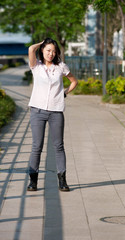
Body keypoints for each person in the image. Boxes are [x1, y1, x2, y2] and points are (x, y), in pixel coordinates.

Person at [27, 38, 78, 192]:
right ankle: (33, 181)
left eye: (54, 51)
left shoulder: (61, 67)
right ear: (42, 50)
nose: (51, 53)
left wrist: (65, 93)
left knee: (59, 146)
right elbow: (30, 49)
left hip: (56, 111)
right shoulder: (36, 66)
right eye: (48, 50)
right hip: (37, 111)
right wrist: (41, 42)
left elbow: (74, 81)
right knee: (37, 146)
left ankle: (62, 181)